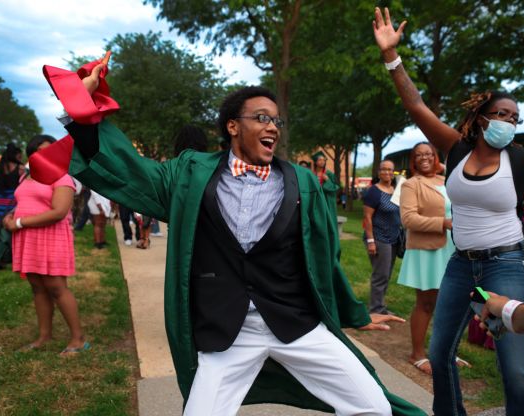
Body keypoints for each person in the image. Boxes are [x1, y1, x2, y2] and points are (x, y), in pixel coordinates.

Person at [37, 54, 423, 415]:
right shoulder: (190, 173)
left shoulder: (303, 182)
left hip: (295, 322)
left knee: (373, 406)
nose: (272, 126)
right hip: (226, 331)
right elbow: (132, 172)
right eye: (261, 117)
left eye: (276, 121)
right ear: (233, 126)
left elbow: (325, 255)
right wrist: (83, 112)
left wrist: (354, 312)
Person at [373, 8, 524, 415]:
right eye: (502, 114)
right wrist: (391, 58)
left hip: (506, 265)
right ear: (481, 116)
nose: (509, 121)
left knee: (514, 368)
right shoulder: (455, 149)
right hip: (459, 264)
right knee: (439, 355)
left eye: (515, 117)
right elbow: (416, 106)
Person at [3, 134, 88, 355]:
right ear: (31, 153)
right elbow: (24, 202)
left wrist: (19, 222)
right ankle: (44, 336)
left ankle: (79, 340)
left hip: (50, 236)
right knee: (37, 287)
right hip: (27, 237)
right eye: (40, 150)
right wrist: (10, 216)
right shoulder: (26, 177)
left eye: (50, 150)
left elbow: (59, 212)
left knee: (57, 288)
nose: (44, 155)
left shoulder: (61, 177)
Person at [397, 142, 463, 375]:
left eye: (429, 154)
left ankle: (445, 352)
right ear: (412, 160)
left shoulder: (446, 181)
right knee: (426, 303)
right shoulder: (410, 184)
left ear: (436, 157)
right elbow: (408, 219)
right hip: (427, 250)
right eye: (418, 155)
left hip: (452, 248)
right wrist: (443, 223)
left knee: (450, 304)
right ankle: (417, 353)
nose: (424, 158)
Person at [363, 159, 402, 314]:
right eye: (384, 169)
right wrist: (371, 241)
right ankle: (375, 309)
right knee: (381, 275)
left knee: (387, 274)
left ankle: (380, 305)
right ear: (379, 172)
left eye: (390, 170)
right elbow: (367, 218)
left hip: (394, 238)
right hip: (379, 238)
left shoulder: (395, 190)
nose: (387, 172)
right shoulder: (374, 191)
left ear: (394, 173)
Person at [0, 143, 23, 225]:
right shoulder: (20, 169)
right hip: (11, 203)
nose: (21, 159)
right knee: (8, 231)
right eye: (19, 156)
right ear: (14, 155)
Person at [312, 150, 340, 218]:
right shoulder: (311, 174)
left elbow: (335, 188)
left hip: (327, 201)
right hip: (315, 201)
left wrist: (327, 180)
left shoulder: (329, 174)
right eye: (320, 160)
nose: (322, 162)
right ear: (315, 162)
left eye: (324, 160)